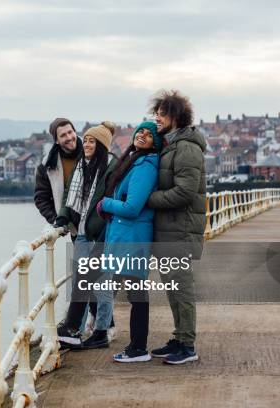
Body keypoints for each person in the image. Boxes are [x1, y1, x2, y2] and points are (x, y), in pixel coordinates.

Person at [88, 121, 162, 359]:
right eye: (140, 130)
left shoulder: (146, 165)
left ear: (155, 143)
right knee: (124, 290)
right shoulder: (135, 160)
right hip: (124, 237)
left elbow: (132, 207)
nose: (142, 134)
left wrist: (104, 204)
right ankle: (114, 336)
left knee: (135, 294)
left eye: (149, 134)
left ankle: (137, 347)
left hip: (132, 238)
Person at [146, 90, 207, 365]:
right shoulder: (170, 145)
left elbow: (185, 191)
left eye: (161, 113)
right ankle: (179, 337)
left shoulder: (186, 147)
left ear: (175, 116)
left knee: (181, 288)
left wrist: (149, 200)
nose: (156, 118)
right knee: (172, 287)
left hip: (179, 230)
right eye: (155, 113)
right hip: (168, 229)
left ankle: (188, 346)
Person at [54, 122, 118, 348]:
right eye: (86, 140)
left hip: (100, 234)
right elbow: (66, 197)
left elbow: (112, 202)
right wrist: (63, 216)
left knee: (102, 285)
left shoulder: (112, 167)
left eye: (91, 141)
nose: (86, 144)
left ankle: (102, 330)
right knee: (80, 283)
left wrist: (104, 233)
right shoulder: (81, 166)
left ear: (101, 145)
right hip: (80, 233)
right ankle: (75, 331)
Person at [34, 118, 83, 226]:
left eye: (70, 132)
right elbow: (41, 198)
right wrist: (56, 219)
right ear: (56, 141)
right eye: (63, 135)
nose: (69, 137)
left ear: (75, 132)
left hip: (99, 224)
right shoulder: (47, 166)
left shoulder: (91, 151)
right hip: (75, 228)